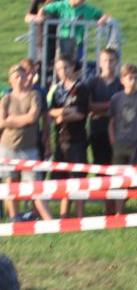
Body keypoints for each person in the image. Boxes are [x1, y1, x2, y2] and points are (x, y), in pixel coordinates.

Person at [0, 64, 52, 221]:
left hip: (29, 148)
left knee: (35, 185)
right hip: (8, 146)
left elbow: (33, 117)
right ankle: (15, 218)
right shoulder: (6, 98)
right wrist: (20, 120)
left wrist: (11, 120)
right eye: (16, 76)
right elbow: (1, 122)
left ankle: (49, 220)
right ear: (10, 80)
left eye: (22, 76)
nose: (20, 79)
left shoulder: (34, 95)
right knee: (11, 183)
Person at [108, 63, 137, 214]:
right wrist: (113, 140)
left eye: (135, 78)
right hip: (120, 145)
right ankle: (119, 213)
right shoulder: (116, 98)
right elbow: (111, 122)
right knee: (119, 181)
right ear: (122, 80)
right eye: (130, 78)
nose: (133, 81)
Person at [46, 55, 90, 219]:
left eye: (65, 67)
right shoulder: (55, 89)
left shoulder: (81, 88)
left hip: (77, 139)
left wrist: (62, 115)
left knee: (78, 179)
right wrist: (65, 112)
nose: (62, 71)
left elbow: (80, 113)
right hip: (60, 139)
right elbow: (50, 111)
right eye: (59, 69)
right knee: (64, 181)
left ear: (73, 67)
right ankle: (64, 215)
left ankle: (79, 216)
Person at [37, 0, 111, 63]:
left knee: (77, 64)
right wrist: (40, 16)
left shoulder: (87, 8)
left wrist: (103, 19)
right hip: (63, 41)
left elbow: (103, 15)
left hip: (79, 43)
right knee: (64, 63)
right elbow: (44, 9)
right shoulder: (62, 5)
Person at [85, 48, 123, 197]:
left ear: (117, 62)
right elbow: (89, 106)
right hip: (97, 131)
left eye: (111, 60)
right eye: (105, 60)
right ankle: (103, 201)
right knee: (100, 168)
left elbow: (122, 107)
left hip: (117, 133)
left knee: (116, 169)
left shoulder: (121, 83)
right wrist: (110, 106)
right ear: (100, 62)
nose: (108, 63)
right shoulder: (92, 83)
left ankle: (115, 205)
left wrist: (99, 109)